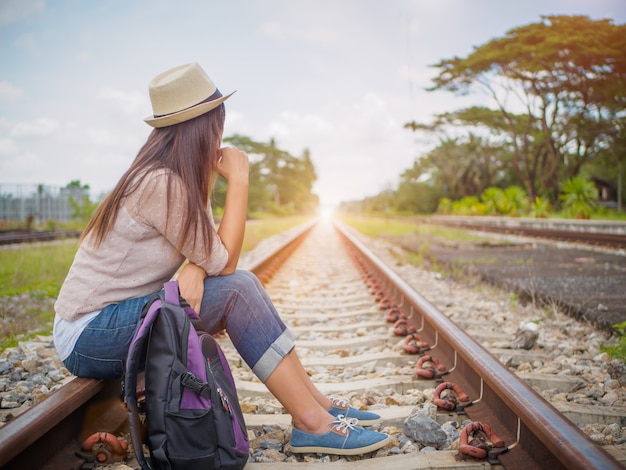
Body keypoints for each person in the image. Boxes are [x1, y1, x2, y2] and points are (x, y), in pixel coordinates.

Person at [53, 62, 390, 456]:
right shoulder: (161, 184)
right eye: (218, 122)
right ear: (204, 126)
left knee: (240, 285)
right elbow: (225, 262)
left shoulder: (173, 179)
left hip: (115, 318)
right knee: (238, 289)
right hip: (90, 332)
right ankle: (311, 423)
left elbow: (209, 253)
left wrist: (195, 266)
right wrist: (241, 180)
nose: (221, 134)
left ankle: (319, 406)